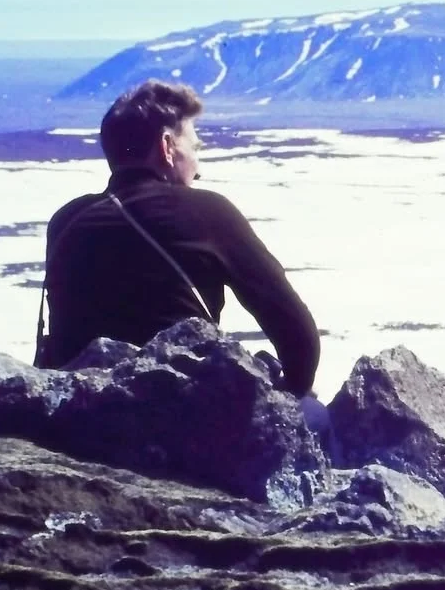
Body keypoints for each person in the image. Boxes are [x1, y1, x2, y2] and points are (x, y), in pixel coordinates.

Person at [41, 80, 322, 408]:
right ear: (167, 146)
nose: (198, 166)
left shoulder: (66, 219)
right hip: (180, 413)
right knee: (318, 418)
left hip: (79, 414)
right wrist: (293, 395)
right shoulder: (206, 211)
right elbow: (295, 330)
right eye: (196, 147)